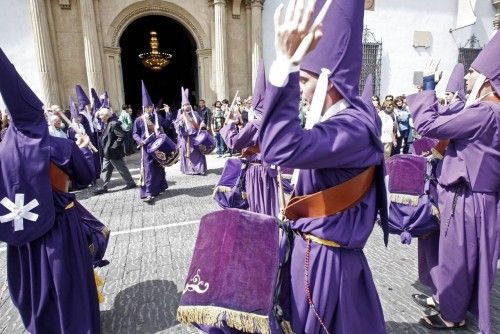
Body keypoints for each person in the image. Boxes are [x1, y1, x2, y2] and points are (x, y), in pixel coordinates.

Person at [259, 0, 388, 333]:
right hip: (313, 254)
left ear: (328, 80)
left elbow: (278, 147)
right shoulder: (343, 121)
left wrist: (285, 64)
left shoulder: (353, 128)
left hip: (325, 264)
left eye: (303, 81)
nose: (299, 91)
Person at [0, 47, 107, 334]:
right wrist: (84, 148)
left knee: (38, 286)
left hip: (22, 236)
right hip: (60, 228)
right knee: (67, 282)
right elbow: (87, 176)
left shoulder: (2, 151)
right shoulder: (58, 146)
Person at [407, 32, 499, 332]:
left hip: (467, 197)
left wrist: (429, 85)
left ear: (487, 79)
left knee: (456, 259)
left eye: (473, 72)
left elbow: (428, 125)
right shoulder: (489, 111)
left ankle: (452, 315)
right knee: (466, 259)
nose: (468, 78)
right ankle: (455, 308)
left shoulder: (485, 112)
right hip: (477, 195)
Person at [132, 81, 170, 202]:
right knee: (148, 170)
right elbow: (134, 133)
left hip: (158, 145)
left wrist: (168, 113)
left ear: (152, 107)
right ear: (144, 108)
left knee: (159, 167)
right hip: (147, 148)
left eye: (150, 106)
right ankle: (148, 192)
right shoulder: (138, 120)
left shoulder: (157, 117)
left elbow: (168, 124)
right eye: (147, 107)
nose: (149, 109)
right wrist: (140, 141)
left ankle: (159, 188)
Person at [93, 107, 136, 195]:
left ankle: (131, 183)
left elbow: (121, 136)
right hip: (107, 153)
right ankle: (103, 187)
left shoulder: (113, 123)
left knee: (121, 168)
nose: (100, 117)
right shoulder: (107, 123)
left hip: (113, 153)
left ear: (106, 115)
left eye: (101, 115)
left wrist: (113, 147)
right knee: (105, 169)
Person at [175, 87, 207, 175]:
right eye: (185, 105)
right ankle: (189, 170)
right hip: (186, 139)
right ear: (182, 107)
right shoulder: (180, 115)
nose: (187, 106)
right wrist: (180, 122)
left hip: (196, 138)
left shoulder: (195, 113)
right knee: (187, 155)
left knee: (198, 154)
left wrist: (203, 125)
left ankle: (199, 169)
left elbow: (201, 121)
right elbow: (176, 126)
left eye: (188, 104)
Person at [76, 84, 101, 180]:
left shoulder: (89, 114)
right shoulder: (81, 115)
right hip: (87, 136)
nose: (88, 106)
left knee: (96, 155)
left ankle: (98, 172)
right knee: (92, 155)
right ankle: (94, 174)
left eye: (88, 104)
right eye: (86, 105)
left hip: (93, 134)